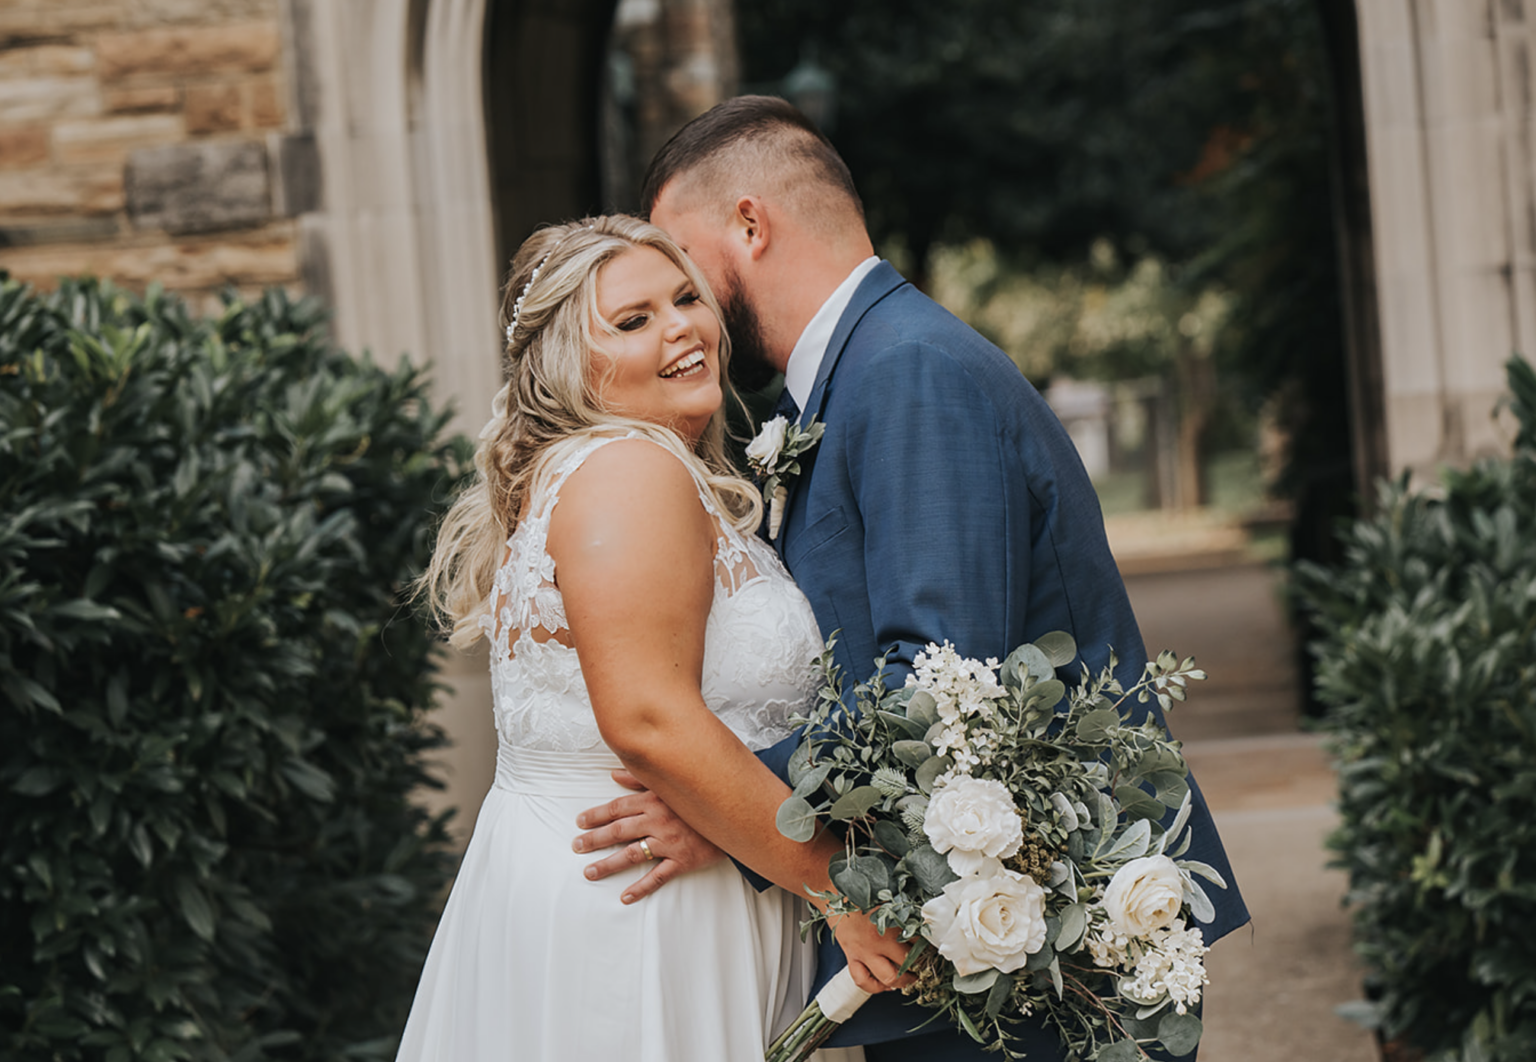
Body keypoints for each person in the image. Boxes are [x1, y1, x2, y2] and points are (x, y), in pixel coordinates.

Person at [573, 96, 1251, 1060]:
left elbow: (939, 683)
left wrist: (733, 814)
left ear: (751, 224)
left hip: (1036, 959)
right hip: (974, 939)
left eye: (685, 263)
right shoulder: (867, 372)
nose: (686, 299)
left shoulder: (907, 373)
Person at [400, 214, 907, 1061]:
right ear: (571, 363)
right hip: (638, 907)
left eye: (685, 299)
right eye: (633, 321)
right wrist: (836, 886)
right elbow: (647, 717)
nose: (681, 329)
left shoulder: (606, 469)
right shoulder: (630, 471)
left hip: (646, 877)